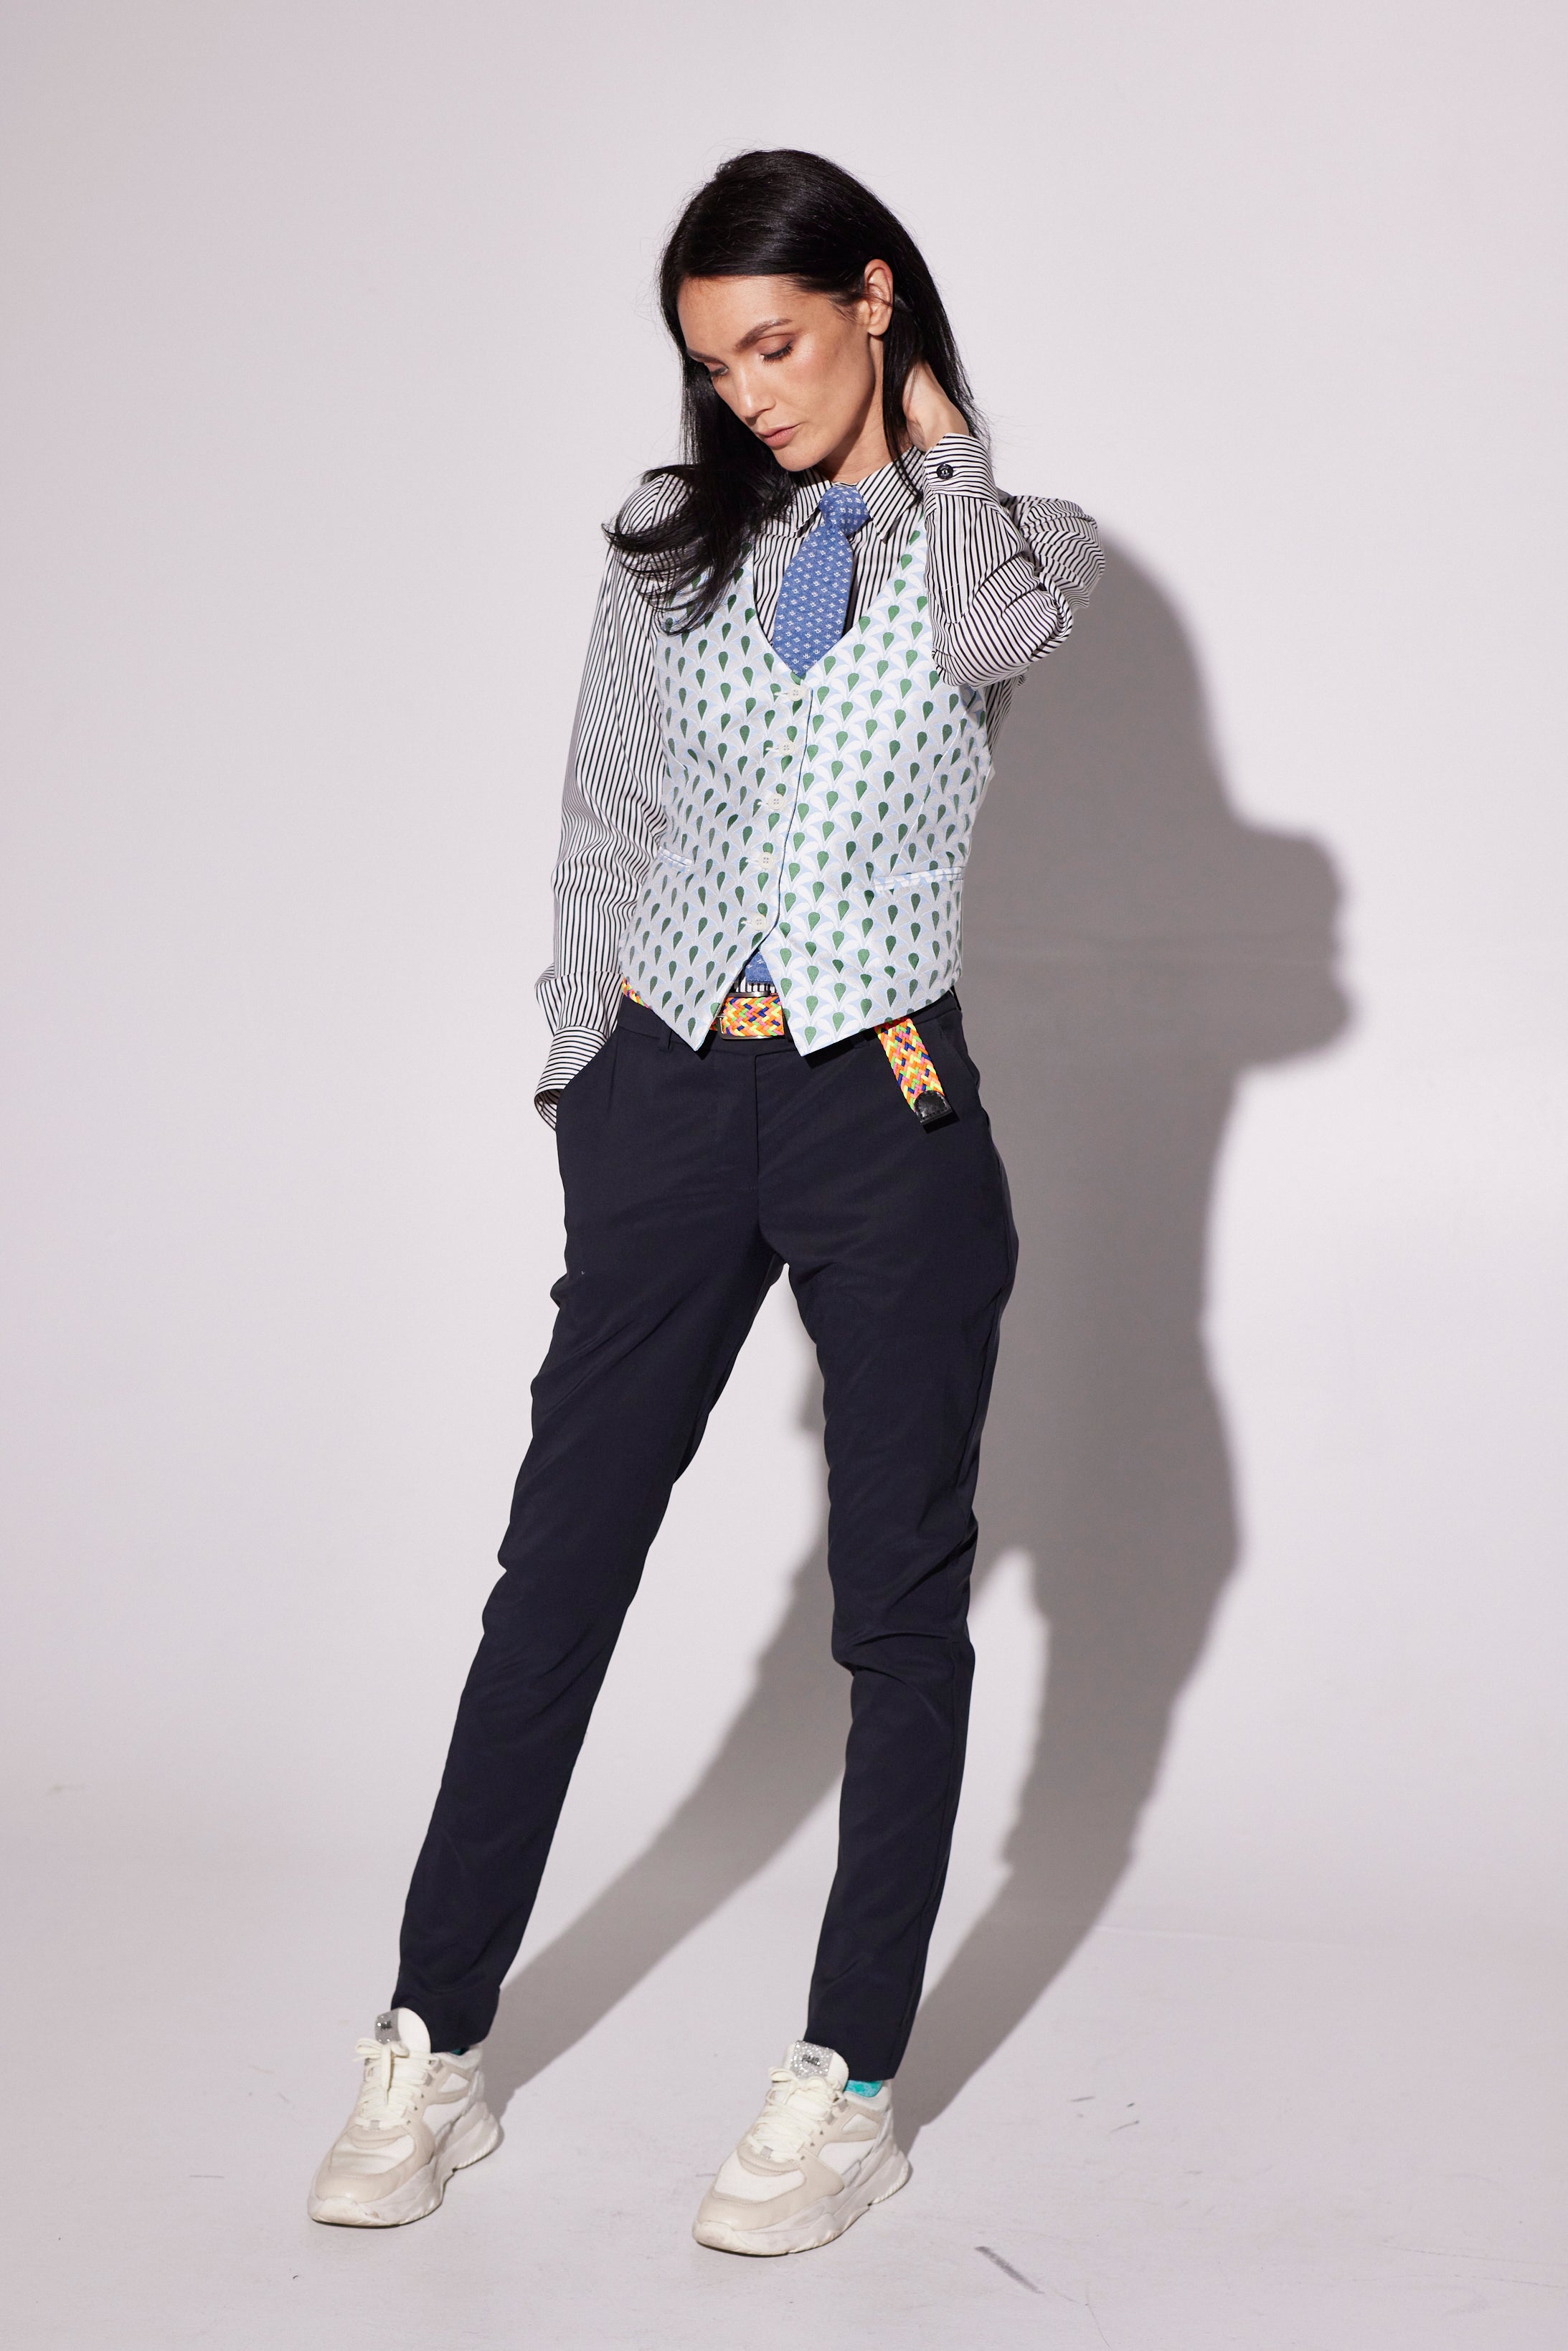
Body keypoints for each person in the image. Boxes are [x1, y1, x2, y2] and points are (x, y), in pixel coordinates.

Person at [308, 146, 1101, 2254]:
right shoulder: (670, 542)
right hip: (664, 1095)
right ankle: (430, 2039)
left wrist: (938, 443)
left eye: (776, 342)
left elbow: (991, 635)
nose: (746, 391)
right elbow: (606, 810)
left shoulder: (1018, 543)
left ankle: (848, 2081)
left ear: (869, 299)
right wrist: (582, 1062)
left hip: (883, 1108)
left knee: (895, 1606)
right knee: (555, 1577)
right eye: (713, 361)